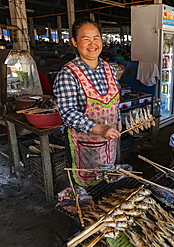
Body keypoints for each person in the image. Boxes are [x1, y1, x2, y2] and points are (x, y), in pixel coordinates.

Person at [53, 18, 122, 186]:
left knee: (107, 184)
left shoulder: (109, 68)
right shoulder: (68, 74)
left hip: (109, 143)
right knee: (87, 191)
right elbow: (68, 113)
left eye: (96, 38)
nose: (92, 44)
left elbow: (115, 101)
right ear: (75, 42)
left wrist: (118, 121)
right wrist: (100, 129)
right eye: (86, 39)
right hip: (83, 146)